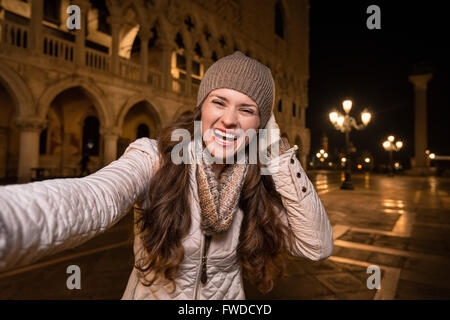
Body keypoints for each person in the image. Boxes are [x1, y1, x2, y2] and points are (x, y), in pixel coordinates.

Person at [0, 51, 333, 299]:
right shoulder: (156, 157)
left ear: (261, 125)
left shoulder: (253, 180)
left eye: (247, 110)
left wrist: (276, 153)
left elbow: (317, 246)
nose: (230, 120)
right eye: (219, 102)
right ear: (201, 106)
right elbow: (94, 199)